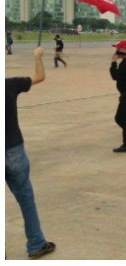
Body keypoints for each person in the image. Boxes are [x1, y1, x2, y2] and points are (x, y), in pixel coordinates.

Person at [7, 46, 57, 258]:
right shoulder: (9, 85)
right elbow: (40, 77)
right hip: (14, 150)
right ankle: (36, 243)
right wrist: (37, 57)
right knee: (26, 198)